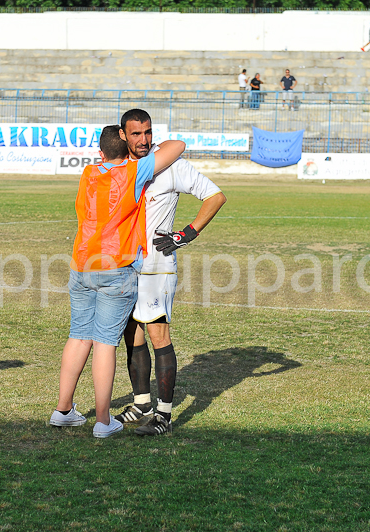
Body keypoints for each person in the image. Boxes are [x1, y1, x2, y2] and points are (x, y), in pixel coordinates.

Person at [49, 125, 185, 439]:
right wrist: (151, 145)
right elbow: (178, 145)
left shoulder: (89, 172)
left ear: (100, 153)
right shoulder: (134, 171)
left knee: (79, 335)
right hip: (116, 266)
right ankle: (102, 420)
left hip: (82, 264)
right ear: (127, 149)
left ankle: (63, 409)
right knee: (105, 342)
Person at [112, 109, 227, 436]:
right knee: (131, 332)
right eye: (136, 134)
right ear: (123, 135)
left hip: (157, 266)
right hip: (126, 264)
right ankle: (141, 404)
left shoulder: (171, 164)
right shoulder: (123, 166)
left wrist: (186, 233)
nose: (143, 140)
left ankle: (164, 416)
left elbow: (215, 196)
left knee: (158, 334)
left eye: (147, 132)